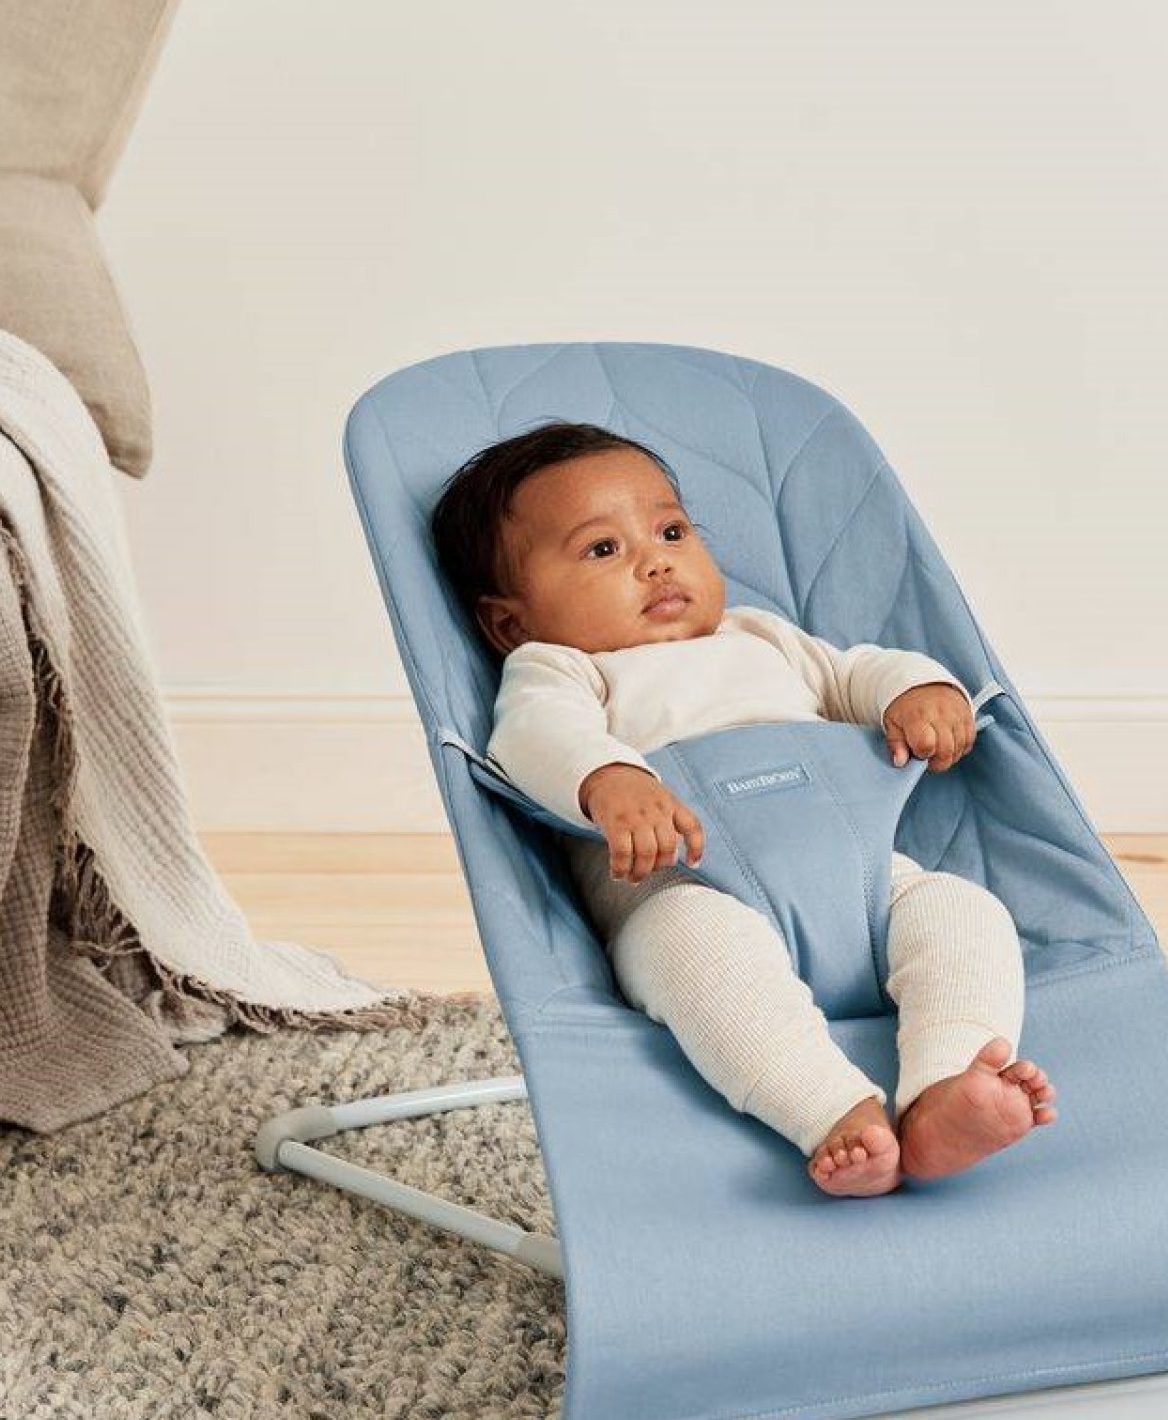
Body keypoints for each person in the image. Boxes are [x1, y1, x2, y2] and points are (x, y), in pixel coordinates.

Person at [430, 421, 1055, 1198]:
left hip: (861, 881)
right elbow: (534, 739)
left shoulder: (763, 638)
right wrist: (609, 778)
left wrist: (918, 690)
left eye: (671, 531)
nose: (656, 561)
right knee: (696, 956)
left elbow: (858, 672)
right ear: (511, 621)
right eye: (603, 549)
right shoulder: (559, 670)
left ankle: (947, 1086)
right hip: (687, 890)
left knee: (963, 912)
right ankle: (833, 1111)